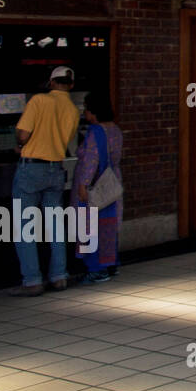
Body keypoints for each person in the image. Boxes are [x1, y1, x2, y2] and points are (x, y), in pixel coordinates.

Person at [11, 66, 81, 296]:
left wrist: (20, 146)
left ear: (51, 82)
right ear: (70, 85)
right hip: (56, 169)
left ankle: (32, 281)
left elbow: (23, 133)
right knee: (55, 225)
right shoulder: (72, 109)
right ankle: (59, 277)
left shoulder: (39, 101)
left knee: (25, 226)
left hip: (31, 168)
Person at [73, 91, 123, 283]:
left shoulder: (95, 131)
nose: (85, 113)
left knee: (90, 225)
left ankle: (96, 268)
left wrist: (83, 185)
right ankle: (111, 264)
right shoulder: (115, 130)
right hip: (112, 180)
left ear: (93, 112)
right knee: (108, 224)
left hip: (95, 183)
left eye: (86, 109)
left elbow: (90, 160)